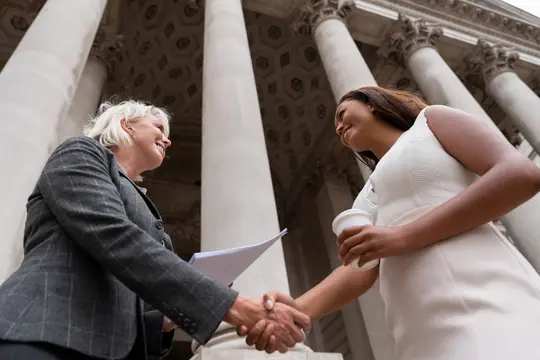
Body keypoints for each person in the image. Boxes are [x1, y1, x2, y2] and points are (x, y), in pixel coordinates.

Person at [239, 87, 540, 359]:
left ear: (372, 103)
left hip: (488, 298)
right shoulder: (363, 199)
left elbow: (518, 174)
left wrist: (403, 237)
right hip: (417, 333)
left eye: (342, 114)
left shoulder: (430, 122)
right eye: (336, 126)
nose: (339, 127)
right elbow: (360, 270)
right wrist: (295, 311)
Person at [0, 100, 311, 360]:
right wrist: (231, 305)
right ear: (126, 124)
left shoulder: (141, 199)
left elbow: (122, 292)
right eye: (159, 127)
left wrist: (165, 320)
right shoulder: (80, 152)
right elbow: (111, 234)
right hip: (41, 332)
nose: (168, 138)